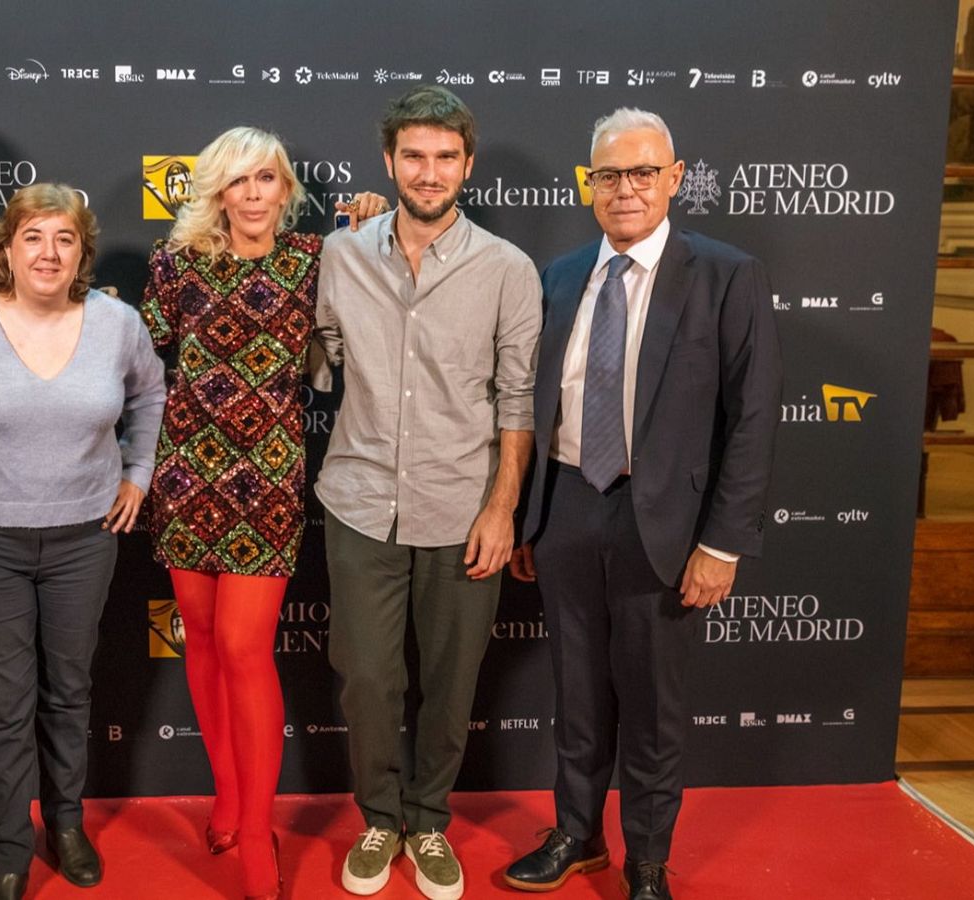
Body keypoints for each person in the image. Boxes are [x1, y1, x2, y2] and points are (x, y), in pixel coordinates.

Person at [502, 108, 781, 900]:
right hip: (566, 507)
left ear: (674, 178)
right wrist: (528, 519)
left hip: (666, 527)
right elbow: (535, 404)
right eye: (609, 175)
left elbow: (754, 418)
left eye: (642, 173)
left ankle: (648, 859)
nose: (625, 189)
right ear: (589, 183)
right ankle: (577, 834)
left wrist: (722, 544)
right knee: (576, 692)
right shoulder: (559, 277)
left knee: (654, 707)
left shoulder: (725, 275)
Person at [140, 126, 387, 900]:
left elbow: (380, 299)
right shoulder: (176, 263)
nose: (252, 194)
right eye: (238, 180)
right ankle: (226, 795)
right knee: (206, 644)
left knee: (246, 648)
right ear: (218, 190)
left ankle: (255, 830)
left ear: (286, 189)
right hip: (185, 479)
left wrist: (368, 222)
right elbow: (139, 357)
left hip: (266, 483)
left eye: (266, 179)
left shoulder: (317, 259)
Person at [314, 85, 542, 900]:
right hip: (359, 501)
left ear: (467, 166)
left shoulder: (507, 269)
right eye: (414, 155)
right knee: (368, 680)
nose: (429, 171)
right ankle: (380, 818)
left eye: (446, 157)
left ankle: (430, 820)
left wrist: (502, 507)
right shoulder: (339, 256)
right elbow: (315, 364)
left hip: (462, 509)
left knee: (450, 684)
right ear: (389, 162)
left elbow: (518, 401)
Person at [0, 183, 165, 900]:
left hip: (86, 540)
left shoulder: (117, 324)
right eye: (33, 237)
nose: (48, 253)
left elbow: (150, 395)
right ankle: (10, 852)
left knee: (69, 692)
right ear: (7, 249)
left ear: (82, 252)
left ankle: (66, 822)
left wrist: (138, 472)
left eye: (64, 239)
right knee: (1, 707)